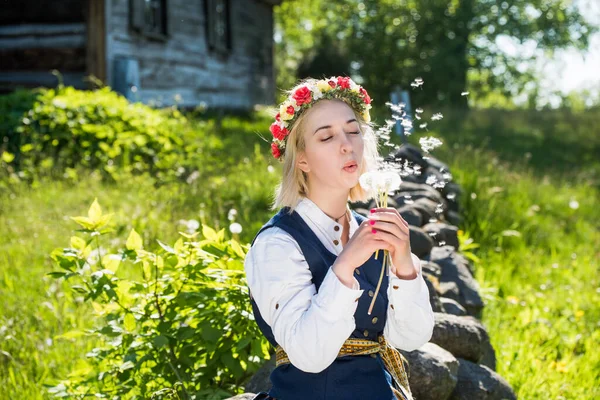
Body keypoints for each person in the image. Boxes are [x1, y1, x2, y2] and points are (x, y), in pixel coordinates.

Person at [244, 76, 435, 400]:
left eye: (352, 130)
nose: (347, 144)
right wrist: (345, 264)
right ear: (301, 158)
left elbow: (411, 337)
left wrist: (404, 265)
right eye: (327, 137)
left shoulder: (370, 230)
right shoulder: (277, 244)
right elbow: (309, 354)